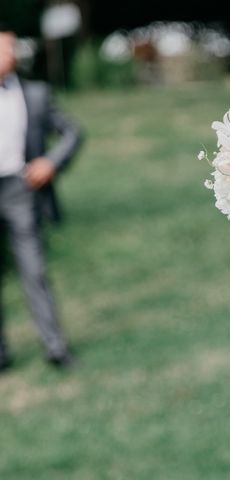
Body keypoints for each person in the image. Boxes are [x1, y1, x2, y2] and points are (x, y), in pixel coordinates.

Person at [0, 23, 82, 371]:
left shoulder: (35, 93)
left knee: (33, 269)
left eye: (10, 48)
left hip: (21, 189)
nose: (7, 55)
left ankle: (55, 346)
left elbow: (73, 131)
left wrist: (51, 161)